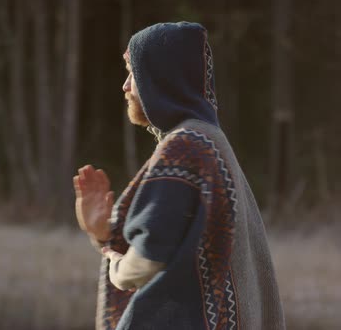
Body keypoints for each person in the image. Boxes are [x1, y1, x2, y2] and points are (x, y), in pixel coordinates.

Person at [73, 22, 285, 330]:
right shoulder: (213, 141)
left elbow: (144, 262)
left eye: (133, 72)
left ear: (159, 77)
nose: (125, 86)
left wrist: (112, 257)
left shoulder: (185, 146)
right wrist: (103, 232)